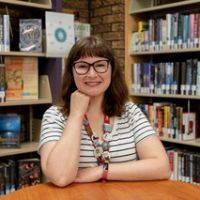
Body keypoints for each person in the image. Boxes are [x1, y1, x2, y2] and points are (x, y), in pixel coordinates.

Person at [38, 35, 171, 187]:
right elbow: (60, 177)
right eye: (82, 66)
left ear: (111, 70)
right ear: (72, 72)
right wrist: (76, 115)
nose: (92, 74)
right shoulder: (54, 116)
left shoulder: (129, 111)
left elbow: (162, 167)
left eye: (100, 65)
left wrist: (102, 171)